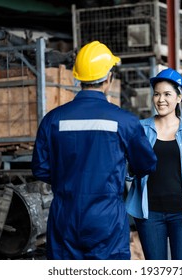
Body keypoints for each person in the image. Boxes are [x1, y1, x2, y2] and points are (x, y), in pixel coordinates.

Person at [31, 41, 157, 260]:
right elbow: (147, 164)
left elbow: (40, 169)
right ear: (108, 79)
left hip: (64, 217)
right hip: (106, 218)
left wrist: (69, 180)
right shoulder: (124, 121)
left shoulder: (52, 119)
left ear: (77, 78)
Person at [126, 68, 182, 260]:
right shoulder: (140, 129)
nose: (160, 99)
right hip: (150, 213)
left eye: (167, 94)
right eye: (156, 94)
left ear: (179, 96)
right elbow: (128, 171)